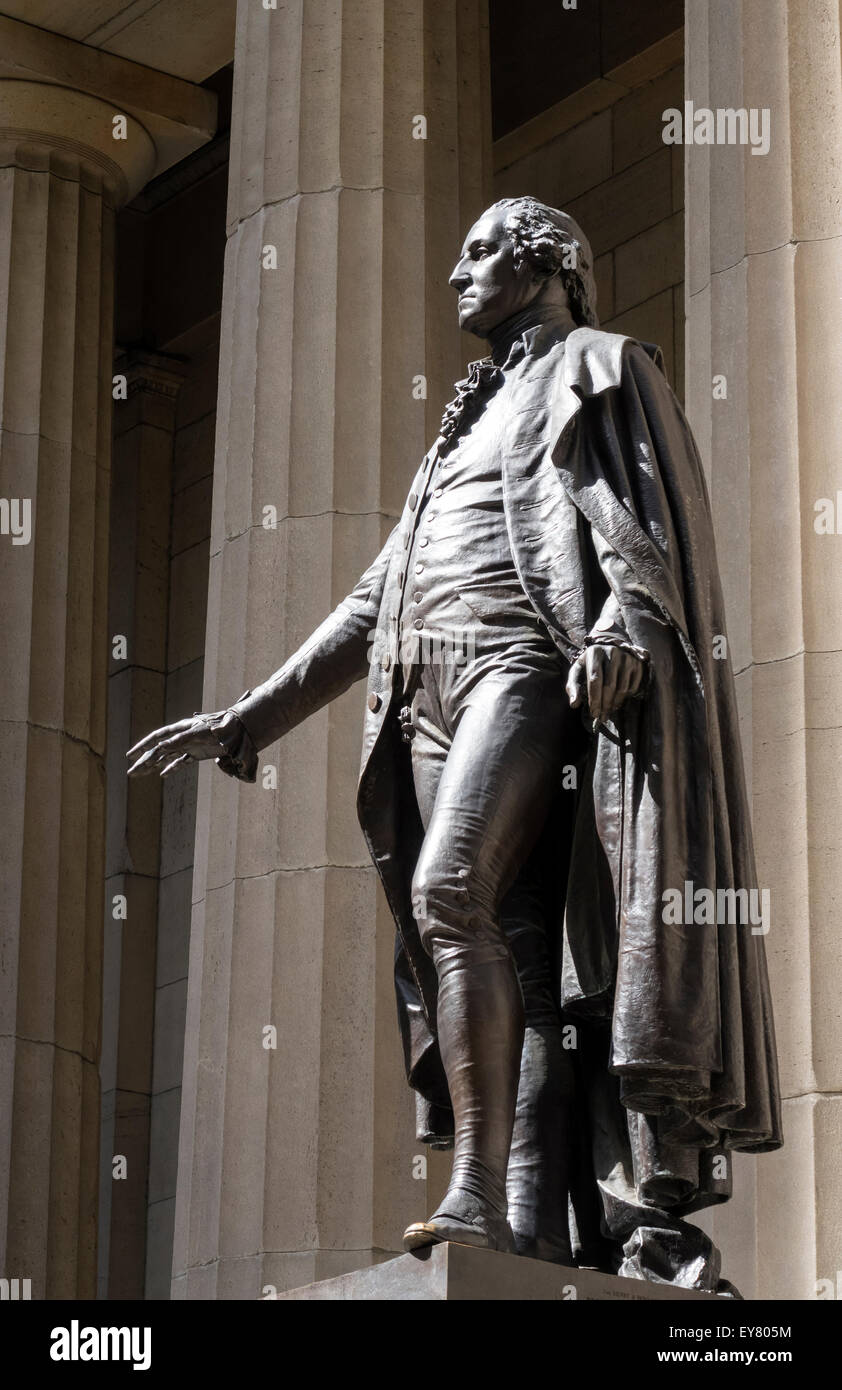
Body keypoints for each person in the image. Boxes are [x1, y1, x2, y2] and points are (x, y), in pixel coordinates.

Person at [128, 198, 781, 1291]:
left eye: (478, 252)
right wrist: (251, 716)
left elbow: (645, 530)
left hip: (520, 666)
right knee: (512, 954)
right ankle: (524, 1211)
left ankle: (472, 1182)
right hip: (420, 688)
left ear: (549, 263)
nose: (453, 275)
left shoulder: (601, 365)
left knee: (448, 890)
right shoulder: (462, 421)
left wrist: (621, 631)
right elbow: (375, 596)